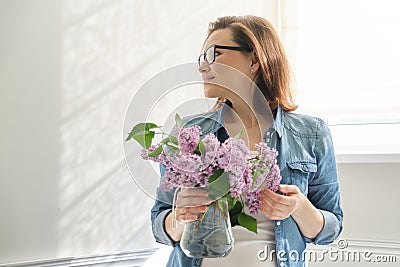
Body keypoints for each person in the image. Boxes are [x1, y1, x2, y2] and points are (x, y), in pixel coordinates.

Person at [151, 15, 343, 267]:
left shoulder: (312, 134)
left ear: (254, 59)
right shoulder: (189, 132)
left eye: (214, 54)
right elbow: (159, 225)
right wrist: (179, 216)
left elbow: (331, 229)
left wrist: (299, 207)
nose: (202, 66)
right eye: (202, 58)